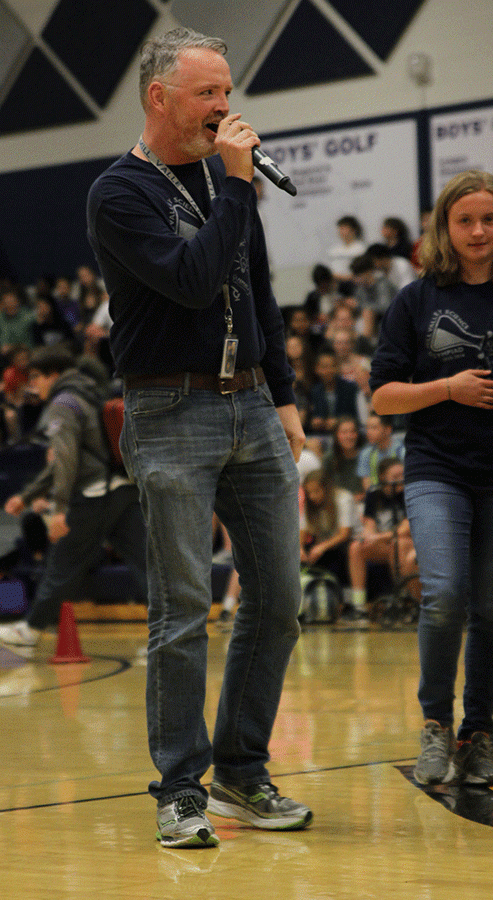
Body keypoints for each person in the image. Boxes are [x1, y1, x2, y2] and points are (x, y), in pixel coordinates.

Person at [86, 26, 312, 847]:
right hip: (169, 411)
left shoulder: (224, 185)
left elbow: (257, 295)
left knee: (280, 603)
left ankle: (242, 774)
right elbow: (191, 282)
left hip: (252, 404)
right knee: (183, 609)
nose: (225, 107)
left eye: (226, 91)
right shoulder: (121, 194)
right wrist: (237, 188)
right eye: (208, 93)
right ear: (160, 97)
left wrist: (284, 397)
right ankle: (180, 789)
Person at [370, 170, 493, 786]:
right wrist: (448, 387)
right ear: (445, 227)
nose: (477, 231)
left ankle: (478, 735)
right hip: (436, 470)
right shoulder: (416, 300)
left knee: (492, 613)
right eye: (464, 220)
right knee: (443, 597)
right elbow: (384, 399)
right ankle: (436, 728)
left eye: (489, 219)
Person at [0, 347, 147, 647]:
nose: (32, 386)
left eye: (36, 378)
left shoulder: (62, 403)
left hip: (93, 493)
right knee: (148, 564)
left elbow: (65, 460)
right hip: (122, 488)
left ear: (53, 375)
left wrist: (59, 510)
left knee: (63, 563)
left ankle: (30, 630)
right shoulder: (90, 393)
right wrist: (28, 496)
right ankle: (168, 631)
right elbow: (66, 459)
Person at [347, 458, 418, 616]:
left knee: (398, 543)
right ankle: (358, 605)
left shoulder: (409, 493)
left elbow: (405, 530)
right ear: (383, 477)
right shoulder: (374, 494)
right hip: (385, 542)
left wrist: (376, 538)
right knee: (356, 547)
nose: (400, 479)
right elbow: (369, 525)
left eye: (402, 475)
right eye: (395, 476)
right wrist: (367, 537)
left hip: (407, 543)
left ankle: (406, 600)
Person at [300, 469, 354, 587]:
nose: (312, 496)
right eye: (309, 493)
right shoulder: (309, 504)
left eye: (316, 491)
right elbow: (303, 530)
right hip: (324, 543)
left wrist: (322, 547)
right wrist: (300, 548)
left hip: (345, 543)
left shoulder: (343, 498)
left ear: (327, 489)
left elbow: (345, 534)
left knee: (338, 554)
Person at [308, 348, 359, 434]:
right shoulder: (314, 391)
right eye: (324, 367)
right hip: (322, 435)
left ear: (337, 367)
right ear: (317, 369)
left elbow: (356, 416)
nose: (329, 370)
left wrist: (339, 421)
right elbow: (310, 419)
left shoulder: (350, 388)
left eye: (332, 366)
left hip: (347, 434)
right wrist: (315, 422)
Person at [356, 411, 405, 494]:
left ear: (388, 429)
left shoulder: (402, 451)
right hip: (377, 498)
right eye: (367, 428)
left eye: (374, 428)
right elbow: (367, 487)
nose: (368, 432)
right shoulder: (365, 453)